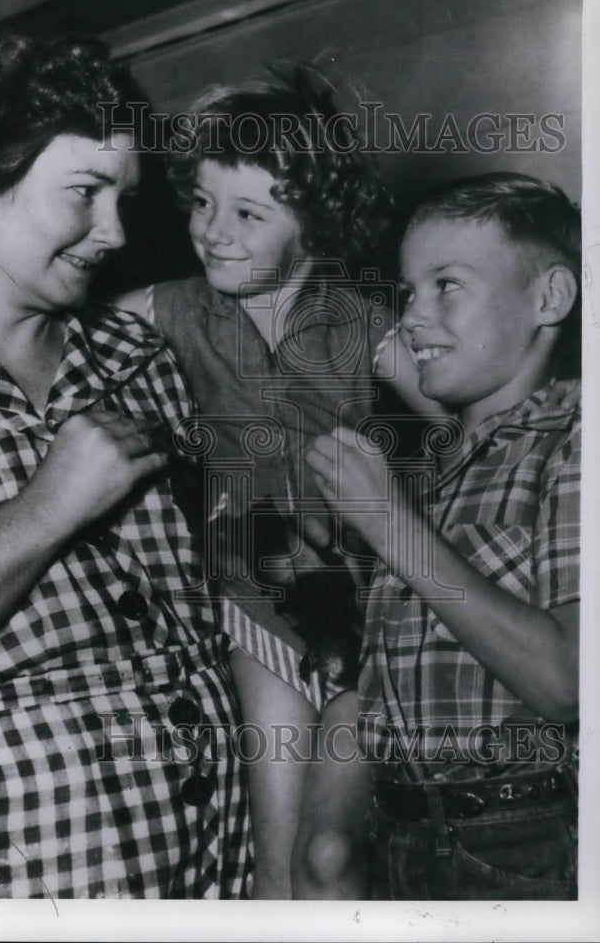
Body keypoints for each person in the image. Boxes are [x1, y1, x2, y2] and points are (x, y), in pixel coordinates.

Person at [0, 31, 251, 899]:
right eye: (83, 192)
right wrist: (47, 508)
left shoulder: (136, 353)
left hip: (212, 870)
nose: (112, 232)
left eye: (126, 196)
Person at [116, 70, 435, 897]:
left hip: (371, 602)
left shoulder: (361, 318)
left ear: (314, 223)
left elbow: (464, 396)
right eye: (200, 203)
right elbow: (39, 328)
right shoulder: (165, 308)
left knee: (334, 859)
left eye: (248, 214)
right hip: (251, 595)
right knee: (278, 848)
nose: (213, 232)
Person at [307, 172, 580, 900]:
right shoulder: (435, 467)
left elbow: (568, 683)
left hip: (523, 838)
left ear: (549, 298)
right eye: (406, 293)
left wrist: (391, 528)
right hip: (401, 833)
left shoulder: (574, 442)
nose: (410, 320)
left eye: (446, 286)